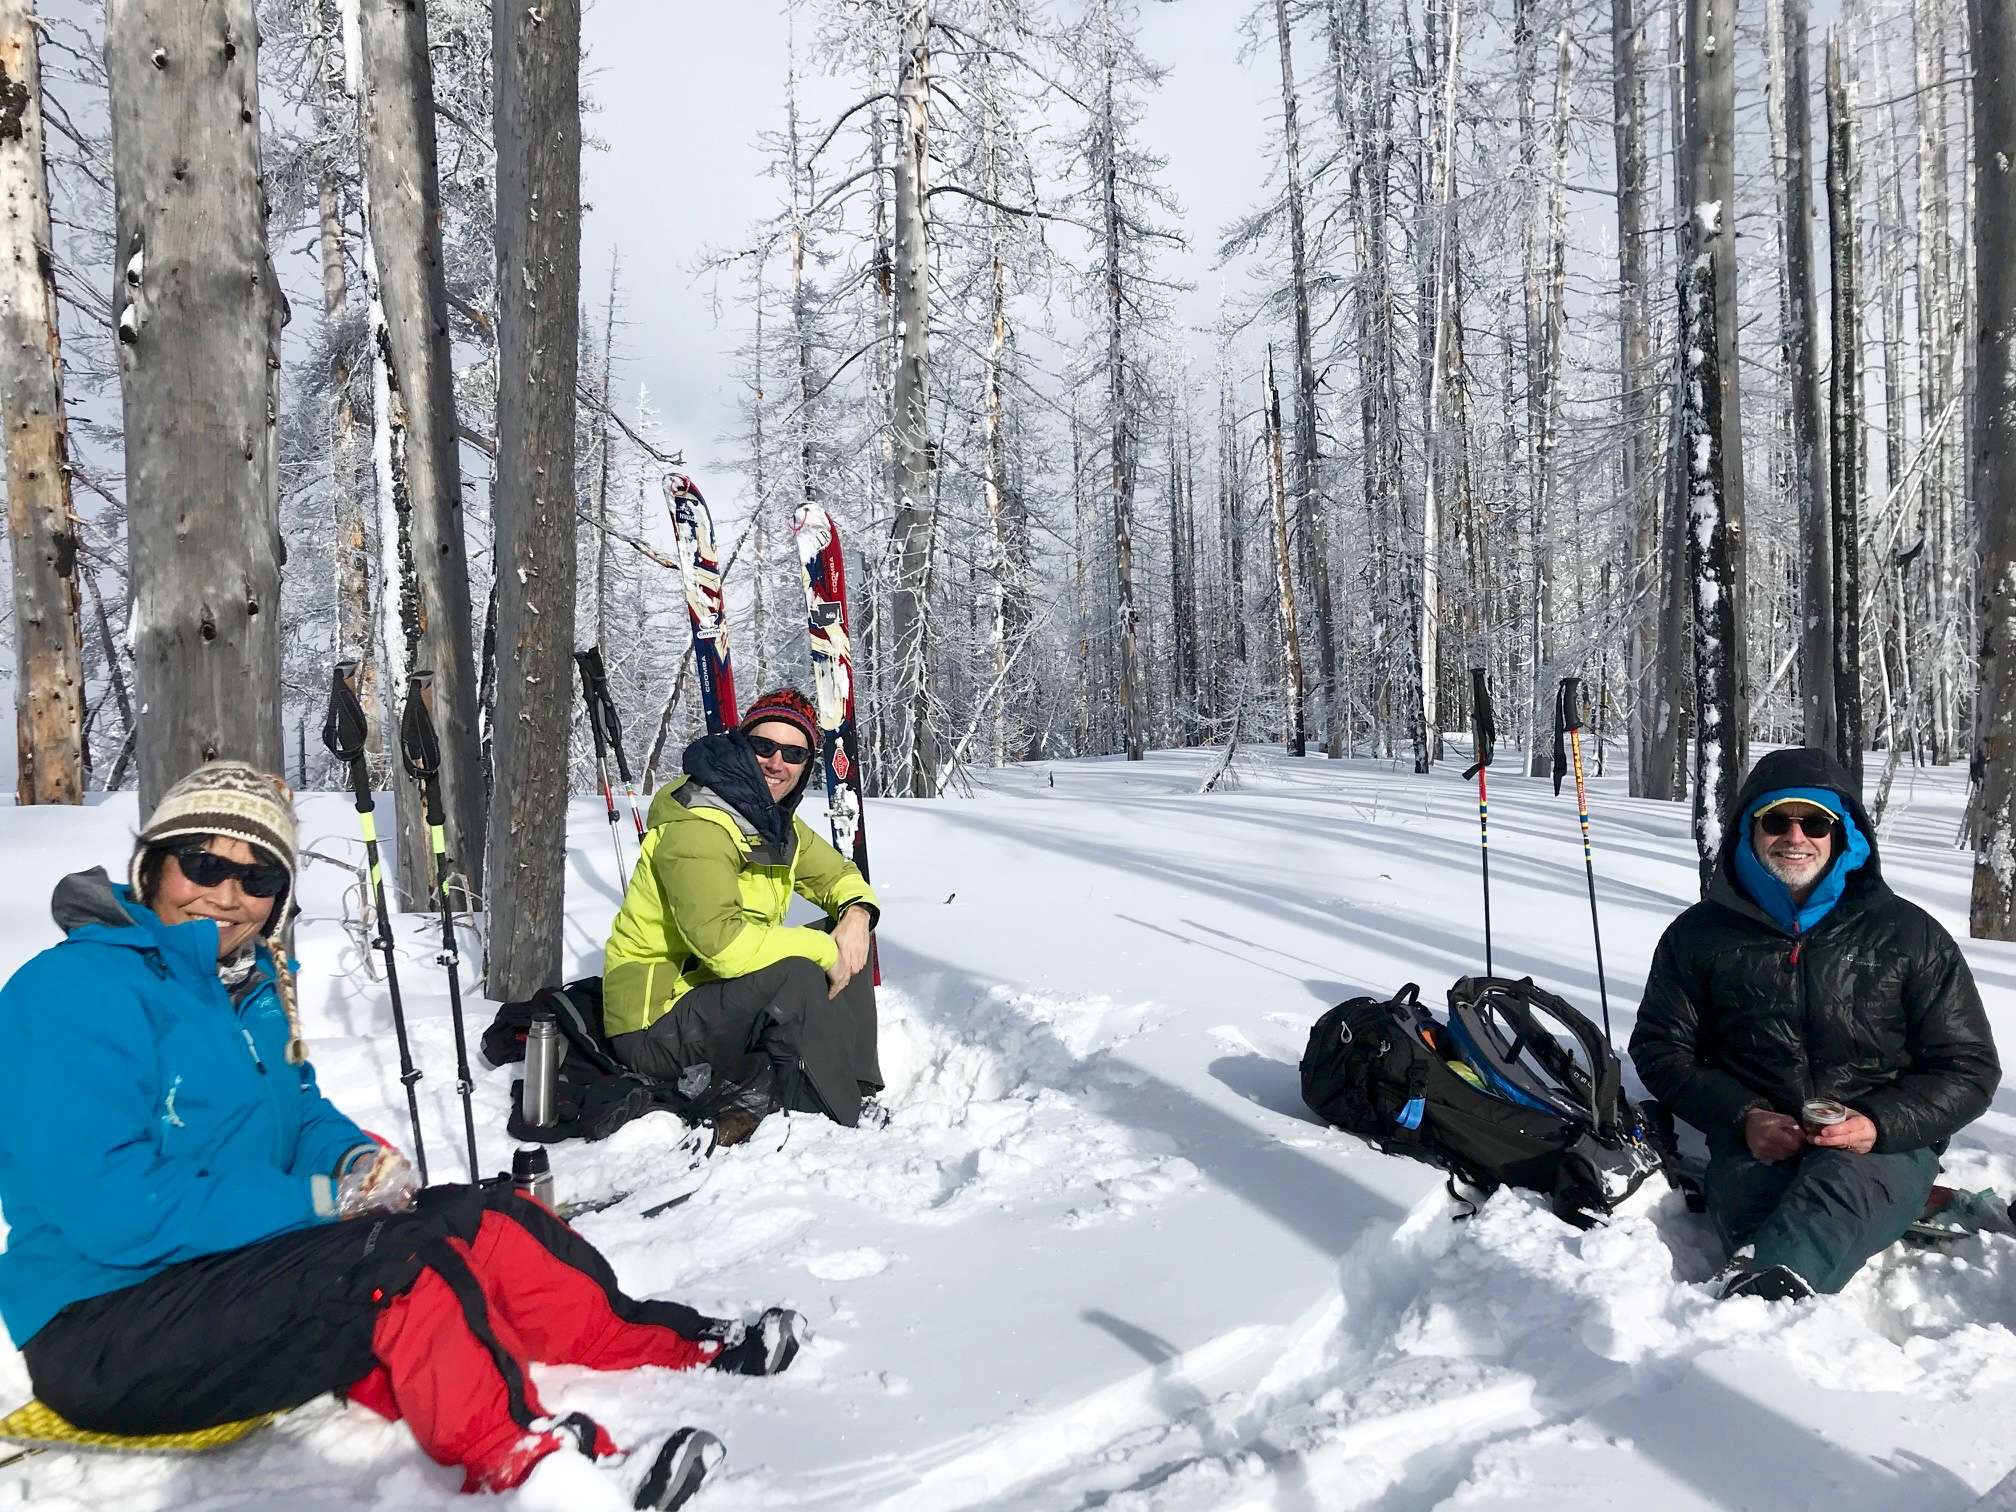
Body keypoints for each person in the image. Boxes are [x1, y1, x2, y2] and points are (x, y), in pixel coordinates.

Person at [0, 761, 797, 1507]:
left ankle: (675, 1343)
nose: (228, 894)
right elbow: (107, 1205)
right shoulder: (74, 991)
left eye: (259, 876)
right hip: (107, 1327)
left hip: (233, 1272)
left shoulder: (244, 989)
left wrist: (352, 1160)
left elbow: (301, 1113)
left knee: (479, 1216)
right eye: (203, 865)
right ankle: (530, 1465)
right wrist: (321, 1201)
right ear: (154, 867)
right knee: (395, 1266)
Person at [1631, 747, 2000, 1300]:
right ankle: (1782, 1276)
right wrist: (1744, 1115)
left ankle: (1760, 1297)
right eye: (1776, 820)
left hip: (1879, 1143)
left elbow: (1968, 1066)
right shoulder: (1698, 935)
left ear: (1844, 832)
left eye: (1816, 822)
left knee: (1832, 1196)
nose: (1795, 837)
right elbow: (1662, 1048)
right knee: (1759, 1219)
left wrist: (1876, 1123)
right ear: (1748, 833)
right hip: (1755, 1144)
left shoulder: (1910, 935)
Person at [602, 688, 880, 1141]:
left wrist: (857, 913)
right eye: (763, 746)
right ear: (740, 744)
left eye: (793, 752)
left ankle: (857, 1086)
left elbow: (838, 875)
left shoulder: (773, 821)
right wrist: (818, 950)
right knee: (801, 968)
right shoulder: (698, 825)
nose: (777, 762)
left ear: (806, 764)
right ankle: (839, 1122)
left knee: (843, 934)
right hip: (654, 1023)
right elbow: (724, 946)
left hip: (711, 994)